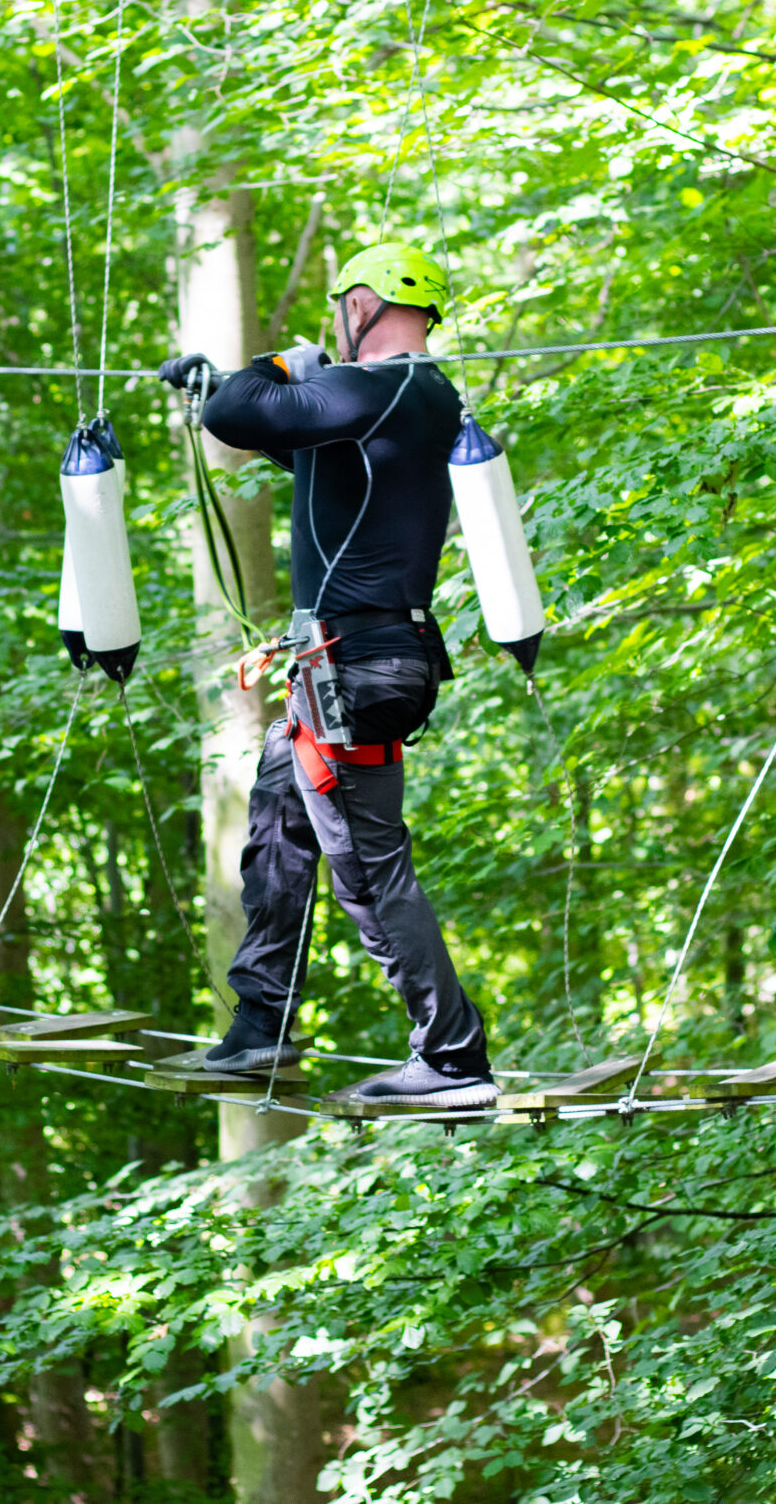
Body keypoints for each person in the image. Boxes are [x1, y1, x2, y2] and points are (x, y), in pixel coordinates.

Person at [156, 242, 497, 1107]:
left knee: (367, 867)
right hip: (346, 668)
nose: (330, 326)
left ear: (364, 303)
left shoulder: (394, 384)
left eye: (337, 307)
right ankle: (260, 1024)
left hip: (359, 669)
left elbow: (245, 409)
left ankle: (452, 1055)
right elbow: (295, 448)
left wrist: (273, 367)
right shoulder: (396, 401)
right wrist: (218, 389)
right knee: (277, 825)